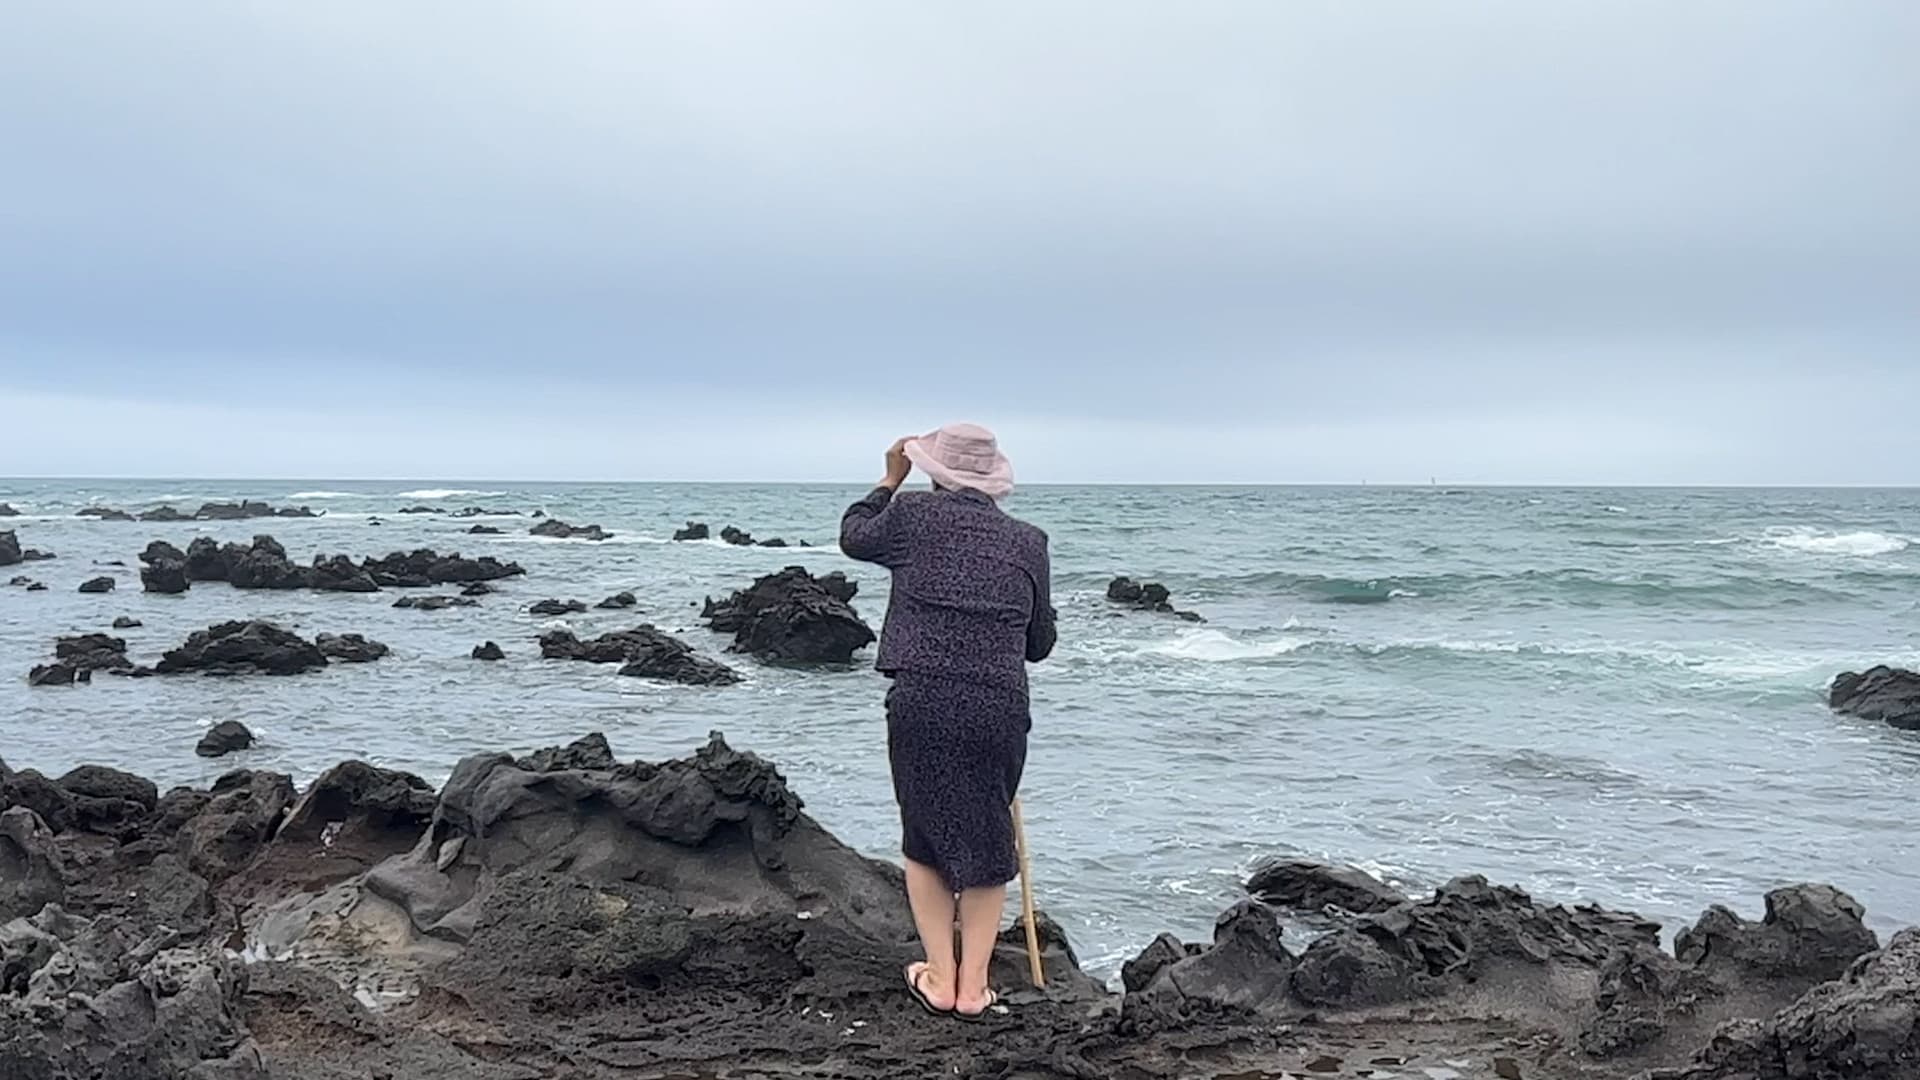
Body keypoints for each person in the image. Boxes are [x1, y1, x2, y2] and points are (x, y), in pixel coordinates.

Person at [839, 422, 1056, 1019]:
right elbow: (1039, 644)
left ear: (935, 471)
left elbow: (853, 537)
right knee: (990, 837)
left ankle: (939, 976)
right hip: (997, 702)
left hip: (923, 695)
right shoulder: (1029, 541)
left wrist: (888, 479)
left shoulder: (910, 516)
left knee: (926, 835)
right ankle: (974, 988)